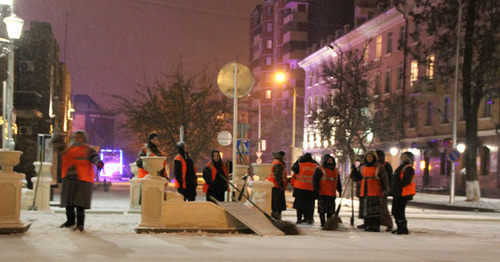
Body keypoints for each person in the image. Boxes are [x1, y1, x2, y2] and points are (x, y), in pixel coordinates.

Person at [60, 131, 104, 232]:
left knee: (80, 204)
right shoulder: (68, 149)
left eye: (80, 137)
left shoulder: (88, 149)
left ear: (84, 138)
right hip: (68, 178)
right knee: (69, 203)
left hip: (82, 179)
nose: (77, 138)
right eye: (76, 137)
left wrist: (98, 163)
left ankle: (80, 224)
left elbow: (95, 157)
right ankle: (70, 221)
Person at [351, 151, 389, 232]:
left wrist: (386, 189)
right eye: (367, 157)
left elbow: (384, 179)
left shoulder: (379, 167)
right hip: (365, 191)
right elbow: (358, 178)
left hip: (375, 191)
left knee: (375, 210)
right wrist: (354, 170)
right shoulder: (362, 167)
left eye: (371, 157)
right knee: (366, 210)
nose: (369, 158)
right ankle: (367, 224)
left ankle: (375, 225)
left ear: (374, 158)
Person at [313, 154, 342, 228]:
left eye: (331, 160)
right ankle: (323, 223)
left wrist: (339, 190)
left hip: (332, 193)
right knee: (322, 210)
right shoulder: (320, 169)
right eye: (328, 160)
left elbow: (338, 181)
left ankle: (329, 223)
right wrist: (316, 190)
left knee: (330, 210)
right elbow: (315, 181)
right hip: (323, 193)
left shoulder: (335, 170)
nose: (330, 161)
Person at [391, 151, 416, 235]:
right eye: (402, 157)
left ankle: (403, 228)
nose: (403, 159)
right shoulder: (401, 167)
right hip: (398, 192)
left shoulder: (408, 168)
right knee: (396, 211)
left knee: (400, 211)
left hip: (403, 193)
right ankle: (399, 227)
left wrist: (397, 186)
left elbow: (406, 181)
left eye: (405, 157)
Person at [291, 153, 318, 225]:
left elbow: (293, 168)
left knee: (299, 205)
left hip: (300, 188)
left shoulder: (300, 165)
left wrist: (298, 160)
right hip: (311, 188)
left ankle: (299, 219)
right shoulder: (315, 165)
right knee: (310, 205)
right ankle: (309, 218)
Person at [376, 149, 394, 232]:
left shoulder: (386, 165)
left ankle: (388, 223)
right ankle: (377, 222)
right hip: (374, 189)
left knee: (383, 207)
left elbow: (389, 178)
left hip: (382, 189)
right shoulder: (374, 165)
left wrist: (386, 188)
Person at [267, 151, 288, 220]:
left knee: (275, 203)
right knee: (278, 203)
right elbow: (278, 175)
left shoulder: (275, 162)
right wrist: (281, 185)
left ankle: (276, 216)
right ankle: (276, 217)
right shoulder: (278, 164)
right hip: (277, 186)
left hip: (274, 185)